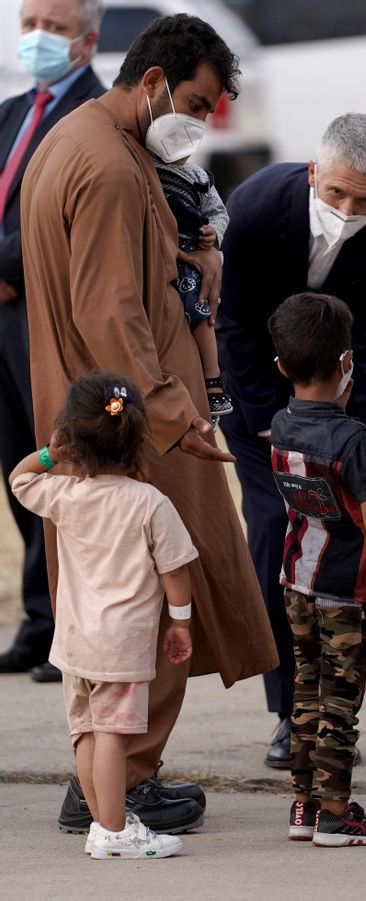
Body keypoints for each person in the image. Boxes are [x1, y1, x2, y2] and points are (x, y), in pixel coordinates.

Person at [20, 14, 278, 836]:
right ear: (155, 79)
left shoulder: (89, 142)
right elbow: (111, 312)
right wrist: (173, 412)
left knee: (113, 605)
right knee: (152, 602)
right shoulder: (104, 163)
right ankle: (118, 784)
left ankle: (110, 774)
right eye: (195, 102)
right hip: (133, 426)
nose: (198, 123)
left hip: (118, 416)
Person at [217, 113, 366, 767]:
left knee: (339, 550)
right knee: (272, 533)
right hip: (260, 405)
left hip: (344, 416)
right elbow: (231, 324)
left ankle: (334, 708)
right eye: (338, 194)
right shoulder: (259, 206)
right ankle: (289, 712)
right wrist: (271, 422)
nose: (350, 211)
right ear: (314, 171)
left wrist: (356, 424)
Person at [10, 372, 197, 860]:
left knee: (87, 735)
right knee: (113, 736)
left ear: (72, 439)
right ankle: (115, 832)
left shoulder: (65, 497)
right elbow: (176, 571)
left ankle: (102, 823)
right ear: (137, 440)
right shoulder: (150, 503)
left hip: (73, 644)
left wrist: (52, 453)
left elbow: (20, 478)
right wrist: (181, 620)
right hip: (119, 647)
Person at [267, 292, 366, 847]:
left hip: (295, 581)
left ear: (281, 367)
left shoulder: (280, 424)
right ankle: (336, 812)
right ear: (348, 363)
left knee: (304, 691)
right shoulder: (351, 438)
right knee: (340, 701)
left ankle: (303, 804)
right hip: (345, 592)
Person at [0, 0, 106, 684]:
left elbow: (68, 218)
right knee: (16, 465)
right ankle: (38, 620)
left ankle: (69, 625)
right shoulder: (12, 110)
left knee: (58, 463)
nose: (39, 38)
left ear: (88, 40)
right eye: (31, 24)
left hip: (42, 309)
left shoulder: (93, 117)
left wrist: (5, 269)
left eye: (56, 28)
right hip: (0, 313)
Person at [152, 145, 233, 426]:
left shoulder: (198, 176)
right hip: (153, 254)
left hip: (193, 253)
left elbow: (220, 213)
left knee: (201, 310)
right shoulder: (142, 168)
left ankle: (212, 381)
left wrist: (213, 233)